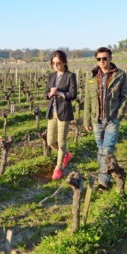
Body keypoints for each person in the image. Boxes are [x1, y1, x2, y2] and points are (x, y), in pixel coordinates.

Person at [84, 47, 127, 188]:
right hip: (96, 119)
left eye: (104, 58)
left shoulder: (120, 75)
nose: (102, 61)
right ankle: (106, 172)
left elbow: (125, 96)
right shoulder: (91, 77)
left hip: (112, 119)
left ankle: (103, 179)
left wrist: (119, 115)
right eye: (99, 59)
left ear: (110, 58)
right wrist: (86, 120)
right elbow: (87, 100)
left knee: (107, 149)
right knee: (100, 148)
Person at [44, 50, 77, 180]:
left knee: (61, 142)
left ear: (64, 62)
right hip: (52, 111)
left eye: (58, 63)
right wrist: (50, 94)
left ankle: (58, 167)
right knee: (50, 140)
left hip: (64, 111)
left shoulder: (70, 76)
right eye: (53, 63)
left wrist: (60, 93)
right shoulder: (51, 76)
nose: (56, 65)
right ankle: (65, 155)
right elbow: (45, 93)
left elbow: (73, 95)